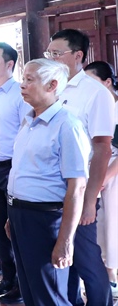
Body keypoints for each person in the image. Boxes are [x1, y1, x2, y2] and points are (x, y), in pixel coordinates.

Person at [7, 59, 90, 306]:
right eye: (23, 79)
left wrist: (65, 241)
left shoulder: (67, 125)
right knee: (31, 292)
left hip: (46, 220)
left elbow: (77, 188)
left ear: (52, 85)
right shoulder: (28, 122)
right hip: (22, 214)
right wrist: (13, 215)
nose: (22, 85)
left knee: (51, 296)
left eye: (29, 80)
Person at [47, 29, 114, 306]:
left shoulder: (95, 93)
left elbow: (102, 148)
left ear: (77, 56)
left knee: (86, 258)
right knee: (65, 259)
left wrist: (90, 200)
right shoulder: (55, 86)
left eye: (56, 53)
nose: (51, 58)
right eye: (48, 53)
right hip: (53, 187)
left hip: (80, 189)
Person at [0, 43, 31, 305]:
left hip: (12, 167)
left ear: (10, 65)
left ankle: (22, 284)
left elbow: (26, 132)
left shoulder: (19, 94)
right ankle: (8, 279)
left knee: (14, 229)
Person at [84, 61, 118, 300]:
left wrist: (105, 176)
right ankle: (107, 276)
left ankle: (112, 277)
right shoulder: (92, 106)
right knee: (100, 228)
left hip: (112, 174)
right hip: (97, 172)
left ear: (107, 82)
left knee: (112, 227)